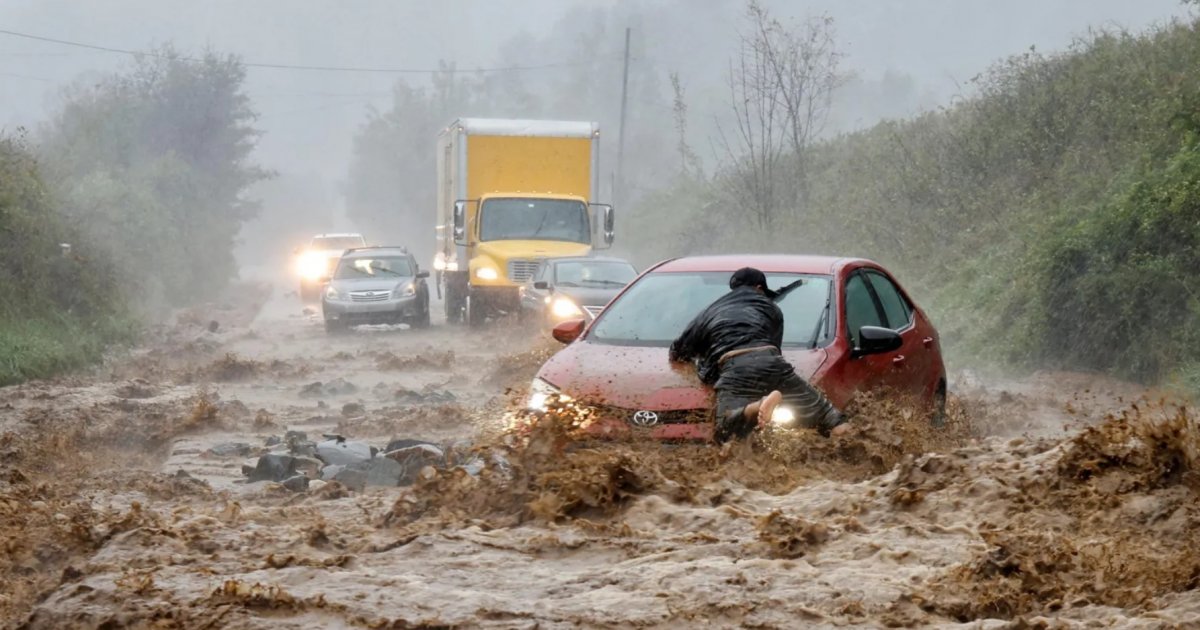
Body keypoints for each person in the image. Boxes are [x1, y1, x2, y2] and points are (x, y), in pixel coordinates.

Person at [669, 267, 847, 442]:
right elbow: (775, 349)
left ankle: (758, 406)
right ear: (760, 288)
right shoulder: (772, 309)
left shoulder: (710, 312)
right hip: (772, 361)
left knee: (724, 431)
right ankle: (856, 448)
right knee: (828, 414)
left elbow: (678, 351)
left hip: (736, 366)